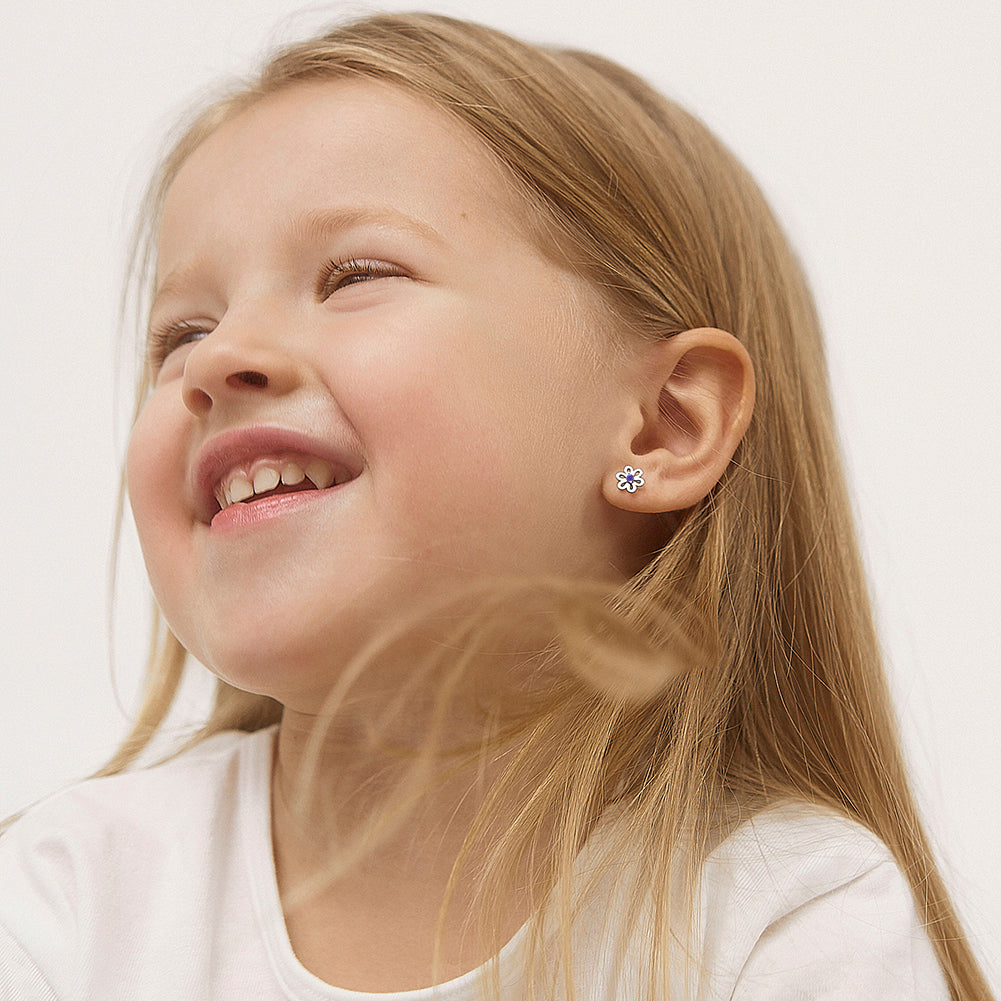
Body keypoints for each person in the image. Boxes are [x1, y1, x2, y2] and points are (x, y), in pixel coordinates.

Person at [0, 11, 991, 1000]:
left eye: (354, 276)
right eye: (181, 332)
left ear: (662, 428)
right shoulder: (67, 895)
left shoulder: (794, 919)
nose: (217, 359)